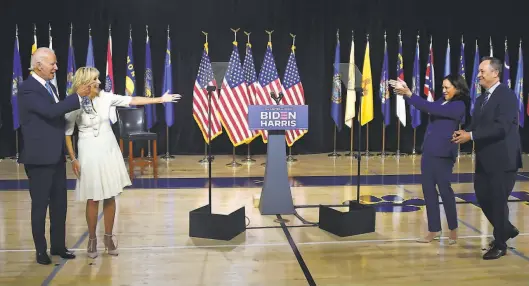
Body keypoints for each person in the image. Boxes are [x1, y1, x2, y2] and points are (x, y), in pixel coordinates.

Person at [64, 67, 181, 259]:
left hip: (108, 148)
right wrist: (73, 158)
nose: (99, 83)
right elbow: (68, 134)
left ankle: (108, 237)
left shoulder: (106, 97)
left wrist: (160, 99)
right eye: (95, 80)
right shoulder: (73, 103)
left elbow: (132, 100)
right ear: (85, 82)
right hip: (88, 151)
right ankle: (92, 238)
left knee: (110, 195)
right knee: (93, 197)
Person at [17, 47, 91, 265]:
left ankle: (58, 245)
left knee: (60, 205)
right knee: (40, 206)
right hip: (39, 159)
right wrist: (76, 96)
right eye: (53, 64)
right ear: (39, 65)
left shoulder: (49, 87)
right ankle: (41, 250)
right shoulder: (28, 88)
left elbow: (57, 112)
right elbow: (50, 112)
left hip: (56, 156)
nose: (56, 68)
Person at [452, 57, 521, 260]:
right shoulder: (482, 99)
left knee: (498, 201)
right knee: (483, 198)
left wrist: (471, 136)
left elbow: (501, 127)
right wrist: (464, 132)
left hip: (503, 160)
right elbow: (477, 125)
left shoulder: (507, 96)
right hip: (485, 159)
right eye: (479, 71)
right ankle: (506, 228)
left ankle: (500, 244)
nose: (479, 74)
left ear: (495, 73)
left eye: (482, 71)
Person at [391, 74, 468, 245]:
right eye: (443, 87)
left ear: (458, 88)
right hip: (429, 152)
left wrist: (409, 94)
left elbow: (430, 108)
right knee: (428, 191)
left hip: (444, 154)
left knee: (444, 190)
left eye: (447, 87)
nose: (444, 90)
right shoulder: (441, 100)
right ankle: (434, 229)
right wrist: (406, 93)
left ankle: (453, 228)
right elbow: (429, 106)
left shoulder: (458, 105)